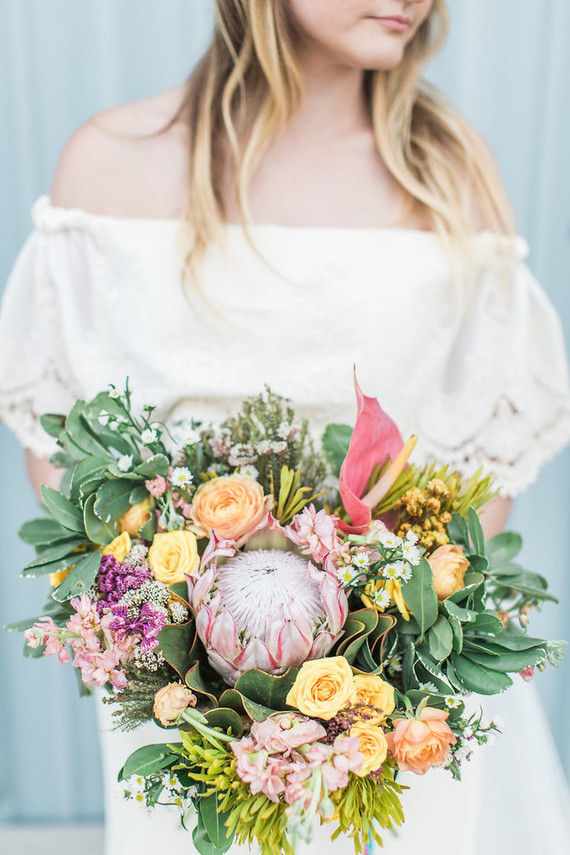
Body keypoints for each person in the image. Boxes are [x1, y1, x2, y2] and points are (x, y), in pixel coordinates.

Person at [1, 1, 569, 853]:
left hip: (399, 722)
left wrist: (389, 656)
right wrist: (160, 648)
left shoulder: (448, 172)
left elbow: (482, 463)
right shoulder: (113, 166)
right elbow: (60, 444)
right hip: (182, 708)